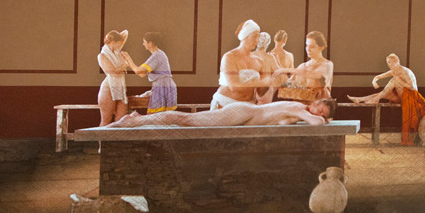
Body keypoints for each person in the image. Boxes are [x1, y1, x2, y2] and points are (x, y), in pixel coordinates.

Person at [110, 98, 337, 128]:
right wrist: (324, 119)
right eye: (320, 108)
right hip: (242, 113)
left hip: (245, 114)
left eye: (321, 111)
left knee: (185, 121)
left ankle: (138, 119)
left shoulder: (298, 111)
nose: (317, 111)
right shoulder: (300, 108)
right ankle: (133, 120)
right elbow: (317, 124)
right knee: (185, 119)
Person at [213, 19, 273, 109]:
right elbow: (235, 87)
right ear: (245, 36)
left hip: (248, 106)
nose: (257, 41)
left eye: (258, 37)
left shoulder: (259, 61)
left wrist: (268, 80)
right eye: (254, 37)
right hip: (226, 103)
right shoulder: (229, 57)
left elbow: (260, 93)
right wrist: (261, 81)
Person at [124, 32, 177, 113]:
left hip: (162, 86)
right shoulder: (159, 54)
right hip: (163, 85)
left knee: (156, 116)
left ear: (150, 43)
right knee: (160, 116)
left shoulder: (157, 55)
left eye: (144, 42)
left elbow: (139, 72)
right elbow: (141, 73)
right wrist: (129, 64)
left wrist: (128, 59)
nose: (143, 44)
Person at [272, 30, 333, 96]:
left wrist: (286, 69)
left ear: (321, 47)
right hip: (302, 104)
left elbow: (315, 75)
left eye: (312, 46)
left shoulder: (327, 64)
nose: (308, 49)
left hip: (320, 105)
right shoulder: (302, 66)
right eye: (306, 45)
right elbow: (288, 83)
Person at [347, 53, 418, 104]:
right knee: (381, 94)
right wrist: (374, 81)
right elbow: (378, 77)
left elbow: (412, 87)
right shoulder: (393, 72)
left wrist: (399, 81)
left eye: (391, 62)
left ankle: (376, 100)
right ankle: (359, 99)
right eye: (388, 63)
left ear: (397, 61)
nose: (389, 64)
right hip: (400, 97)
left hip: (411, 97)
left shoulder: (405, 72)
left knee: (394, 80)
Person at [97, 29, 129, 125]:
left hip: (120, 87)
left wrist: (116, 36)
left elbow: (126, 32)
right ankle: (101, 140)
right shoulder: (102, 55)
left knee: (121, 120)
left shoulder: (116, 51)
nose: (121, 45)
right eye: (119, 43)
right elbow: (112, 71)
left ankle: (116, 140)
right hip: (108, 88)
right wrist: (126, 65)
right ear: (113, 42)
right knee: (106, 119)